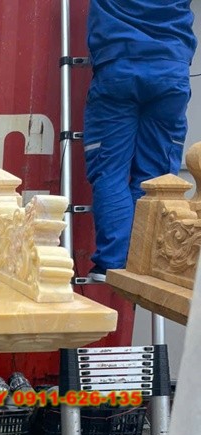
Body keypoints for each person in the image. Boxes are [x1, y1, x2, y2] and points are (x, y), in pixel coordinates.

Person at [84, 0, 197, 282]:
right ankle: (146, 265)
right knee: (156, 179)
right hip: (170, 68)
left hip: (118, 66)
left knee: (110, 170)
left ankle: (113, 262)